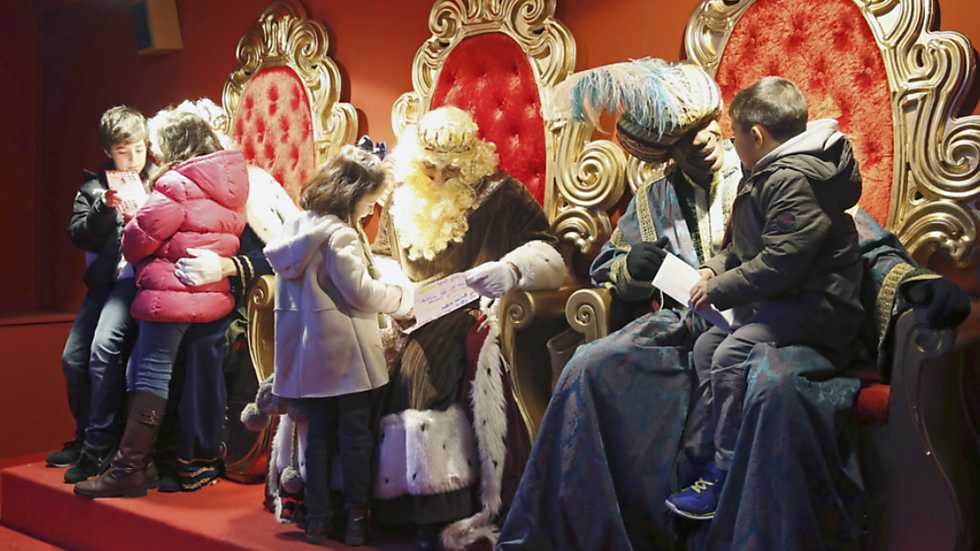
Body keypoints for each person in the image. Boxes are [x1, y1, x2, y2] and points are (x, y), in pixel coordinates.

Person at [497, 58, 972, 550]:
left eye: (707, 126)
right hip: (684, 327)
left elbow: (858, 244)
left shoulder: (773, 168)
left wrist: (915, 284)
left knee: (771, 383)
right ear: (666, 152)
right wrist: (632, 267)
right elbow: (609, 267)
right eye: (685, 139)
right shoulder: (653, 200)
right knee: (590, 365)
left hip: (772, 324)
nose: (703, 140)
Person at [667, 77, 865, 519]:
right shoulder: (769, 171)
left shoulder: (794, 179)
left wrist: (717, 289)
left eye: (734, 135)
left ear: (756, 135)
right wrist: (713, 268)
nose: (731, 143)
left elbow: (781, 263)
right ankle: (708, 449)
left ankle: (725, 471)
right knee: (707, 346)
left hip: (821, 308)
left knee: (730, 353)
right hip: (787, 302)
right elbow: (746, 246)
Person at [372, 105, 566, 550]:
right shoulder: (401, 193)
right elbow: (380, 255)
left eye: (452, 169)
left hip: (470, 308)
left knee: (423, 364)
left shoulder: (503, 195)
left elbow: (548, 251)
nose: (439, 177)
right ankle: (362, 501)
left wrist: (511, 270)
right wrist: (396, 289)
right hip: (405, 306)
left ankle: (437, 509)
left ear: (472, 161)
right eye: (430, 167)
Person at [74, 112, 249, 499]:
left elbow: (136, 243)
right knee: (144, 369)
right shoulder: (231, 181)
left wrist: (133, 217)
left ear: (176, 145)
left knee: (148, 375)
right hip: (209, 294)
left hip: (168, 293)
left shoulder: (175, 183)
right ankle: (145, 463)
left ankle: (128, 469)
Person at [146, 98, 300, 492]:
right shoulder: (174, 187)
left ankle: (196, 456)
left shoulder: (250, 186)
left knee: (204, 341)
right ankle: (148, 453)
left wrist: (229, 268)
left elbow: (287, 252)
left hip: (243, 296)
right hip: (184, 292)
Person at [264, 144, 413, 546]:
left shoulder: (297, 230)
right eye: (370, 200)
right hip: (346, 358)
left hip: (310, 358)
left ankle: (317, 517)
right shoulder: (340, 236)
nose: (372, 208)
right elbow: (361, 293)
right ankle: (356, 518)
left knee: (317, 439)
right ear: (353, 193)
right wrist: (402, 297)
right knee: (355, 439)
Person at [52, 105, 154, 484]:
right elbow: (78, 234)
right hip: (102, 284)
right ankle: (84, 438)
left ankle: (99, 448)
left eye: (140, 149)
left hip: (134, 284)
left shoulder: (159, 181)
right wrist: (104, 208)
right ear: (109, 151)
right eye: (124, 151)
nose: (133, 159)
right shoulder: (94, 187)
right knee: (72, 359)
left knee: (103, 350)